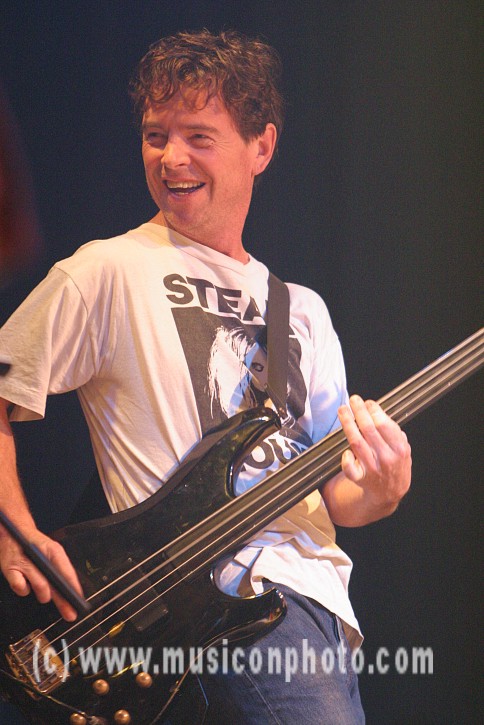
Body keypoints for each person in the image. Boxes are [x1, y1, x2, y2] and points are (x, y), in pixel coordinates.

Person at [0, 30, 411, 723]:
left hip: (314, 604)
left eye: (198, 136)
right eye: (155, 136)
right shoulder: (106, 270)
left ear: (261, 147)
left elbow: (337, 498)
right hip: (213, 608)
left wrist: (382, 488)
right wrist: (11, 529)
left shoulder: (301, 310)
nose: (171, 157)